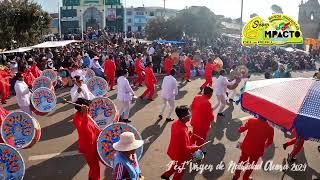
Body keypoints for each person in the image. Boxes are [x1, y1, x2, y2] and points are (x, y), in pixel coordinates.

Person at [161, 106, 201, 180]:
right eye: (189, 114)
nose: (190, 115)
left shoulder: (175, 123)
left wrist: (188, 134)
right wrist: (196, 148)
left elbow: (179, 138)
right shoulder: (182, 131)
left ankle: (166, 175)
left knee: (176, 164)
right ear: (183, 117)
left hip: (173, 150)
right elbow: (184, 148)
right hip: (180, 154)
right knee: (180, 170)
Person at [72, 98, 101, 180]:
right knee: (94, 167)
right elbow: (83, 130)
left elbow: (94, 127)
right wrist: (85, 115)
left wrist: (102, 134)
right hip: (87, 146)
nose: (89, 109)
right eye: (88, 107)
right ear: (82, 109)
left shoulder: (87, 114)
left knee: (95, 167)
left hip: (94, 142)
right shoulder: (76, 118)